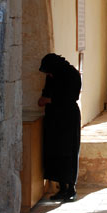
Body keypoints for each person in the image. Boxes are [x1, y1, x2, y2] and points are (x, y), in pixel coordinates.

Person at [38, 53, 82, 202]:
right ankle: (62, 188)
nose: (48, 75)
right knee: (55, 152)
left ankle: (71, 188)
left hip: (68, 118)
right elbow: (46, 93)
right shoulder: (53, 75)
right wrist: (46, 99)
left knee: (68, 151)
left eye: (49, 72)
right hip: (54, 118)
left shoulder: (71, 74)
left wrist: (49, 100)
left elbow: (70, 97)